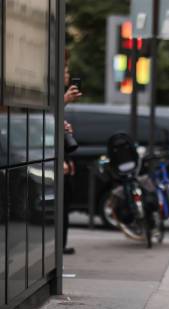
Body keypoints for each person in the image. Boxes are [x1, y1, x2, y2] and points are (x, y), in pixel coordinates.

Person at [63, 49, 82, 255]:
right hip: (56, 161)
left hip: (64, 158)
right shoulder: (55, 96)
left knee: (65, 205)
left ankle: (61, 244)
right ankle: (59, 244)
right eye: (65, 68)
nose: (67, 72)